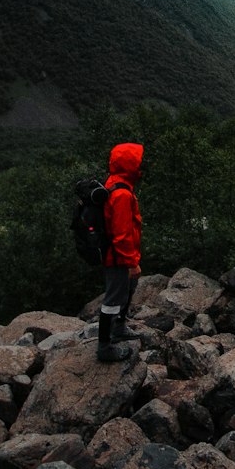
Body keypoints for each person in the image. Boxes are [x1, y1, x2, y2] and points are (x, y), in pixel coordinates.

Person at [97, 141, 144, 363]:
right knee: (114, 298)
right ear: (129, 165)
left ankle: (120, 326)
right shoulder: (122, 194)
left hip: (118, 255)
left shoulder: (114, 184)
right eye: (137, 162)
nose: (141, 166)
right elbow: (122, 234)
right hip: (117, 258)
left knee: (127, 289)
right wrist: (131, 262)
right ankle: (104, 347)